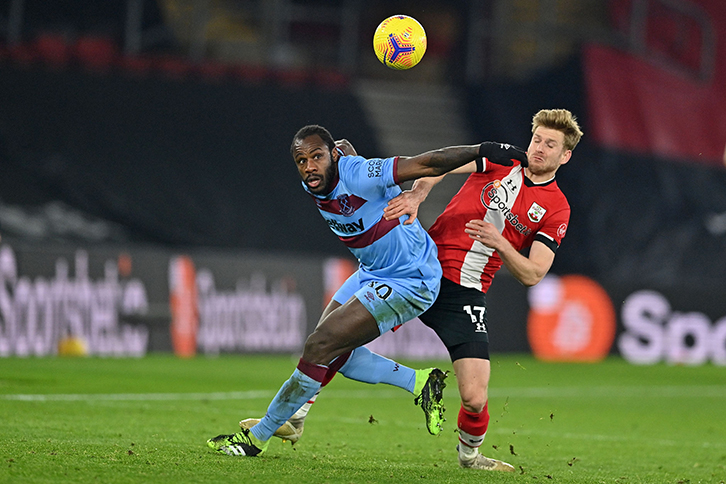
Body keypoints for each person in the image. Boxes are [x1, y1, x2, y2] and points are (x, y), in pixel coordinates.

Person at [246, 109, 583, 472]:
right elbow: (437, 166)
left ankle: (470, 457)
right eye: (537, 139)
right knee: (331, 339)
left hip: (465, 292)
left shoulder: (556, 208)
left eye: (550, 144)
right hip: (418, 265)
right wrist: (417, 195)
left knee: (473, 396)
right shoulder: (504, 161)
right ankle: (295, 416)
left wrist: (500, 243)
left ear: (564, 155)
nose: (539, 148)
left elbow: (533, 273)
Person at [207, 124, 494, 457]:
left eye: (317, 156)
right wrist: (338, 152)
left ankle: (258, 438)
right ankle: (419, 383)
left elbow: (427, 163)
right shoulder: (315, 181)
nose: (309, 166)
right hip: (373, 270)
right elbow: (340, 161)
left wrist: (482, 150)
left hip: (411, 278)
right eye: (301, 160)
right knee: (330, 350)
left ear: (333, 156)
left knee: (320, 345)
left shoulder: (358, 173)